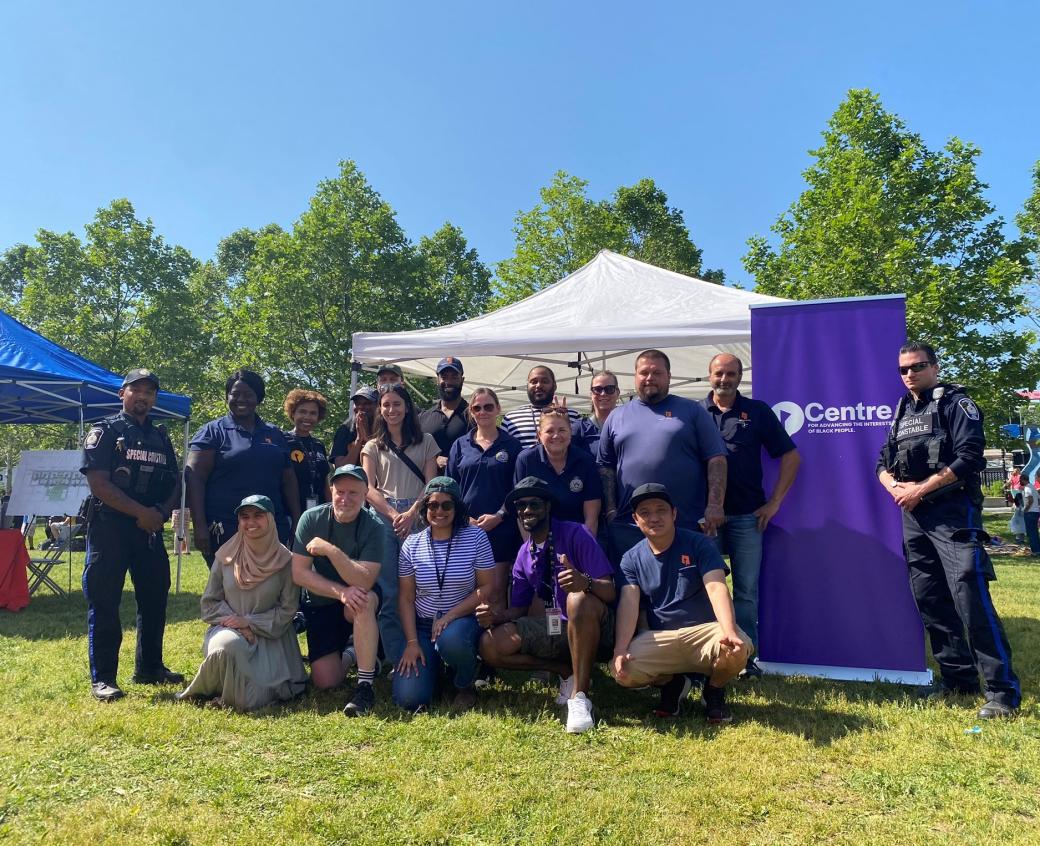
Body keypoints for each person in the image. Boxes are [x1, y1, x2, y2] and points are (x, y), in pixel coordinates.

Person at [876, 341, 1020, 719]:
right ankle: (957, 678)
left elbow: (970, 457)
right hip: (913, 516)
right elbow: (882, 461)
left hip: (953, 515)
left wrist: (920, 490)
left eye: (917, 366)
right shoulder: (903, 409)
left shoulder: (956, 404)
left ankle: (1002, 691)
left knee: (969, 597)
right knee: (930, 598)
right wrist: (895, 488)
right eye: (903, 369)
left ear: (935, 367)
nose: (910, 374)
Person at [477, 477, 616, 734]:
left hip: (597, 629)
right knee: (489, 644)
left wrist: (583, 581)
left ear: (548, 506)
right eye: (520, 506)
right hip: (558, 628)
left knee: (577, 598)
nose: (527, 510)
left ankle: (580, 698)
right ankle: (564, 671)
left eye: (534, 503)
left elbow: (609, 591)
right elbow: (518, 610)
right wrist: (494, 617)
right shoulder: (523, 553)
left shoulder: (576, 533)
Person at [80, 368, 183, 701]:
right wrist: (142, 514)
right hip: (111, 528)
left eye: (150, 392)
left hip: (150, 530)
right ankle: (104, 679)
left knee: (155, 598)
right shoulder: (106, 431)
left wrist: (160, 514)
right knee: (105, 601)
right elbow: (99, 484)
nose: (143, 396)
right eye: (136, 390)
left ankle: (150, 667)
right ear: (121, 394)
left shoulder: (161, 436)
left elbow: (175, 480)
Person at [612, 484, 751, 724]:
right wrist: (620, 649)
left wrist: (729, 632)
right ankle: (673, 684)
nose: (654, 517)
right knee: (622, 672)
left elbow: (717, 587)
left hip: (704, 634)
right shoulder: (630, 559)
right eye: (645, 512)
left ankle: (714, 690)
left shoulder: (699, 544)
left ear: (674, 514)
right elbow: (628, 603)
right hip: (660, 636)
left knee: (737, 648)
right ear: (635, 519)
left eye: (661, 510)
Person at [699, 353, 800, 675]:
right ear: (709, 375)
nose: (724, 379)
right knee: (704, 590)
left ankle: (745, 659)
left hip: (747, 517)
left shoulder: (757, 412)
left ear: (740, 377)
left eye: (731, 373)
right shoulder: (695, 413)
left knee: (745, 591)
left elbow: (791, 456)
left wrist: (775, 502)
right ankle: (707, 655)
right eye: (719, 373)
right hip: (704, 521)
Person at [177, 495, 307, 711]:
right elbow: (209, 603)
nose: (251, 522)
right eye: (244, 517)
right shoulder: (226, 556)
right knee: (227, 644)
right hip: (228, 629)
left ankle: (238, 688)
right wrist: (235, 623)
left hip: (269, 638)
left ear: (271, 520)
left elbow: (288, 611)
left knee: (251, 699)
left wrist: (248, 622)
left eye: (258, 515)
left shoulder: (286, 561)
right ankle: (217, 686)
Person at [598, 349, 728, 558]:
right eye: (644, 373)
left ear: (669, 376)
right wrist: (612, 510)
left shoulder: (692, 411)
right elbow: (605, 467)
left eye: (657, 373)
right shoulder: (616, 416)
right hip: (630, 527)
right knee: (631, 589)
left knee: (686, 588)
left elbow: (716, 459)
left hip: (684, 523)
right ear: (635, 376)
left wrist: (715, 505)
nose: (649, 378)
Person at [394, 478, 496, 712]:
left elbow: (487, 587)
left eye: (446, 505)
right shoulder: (411, 544)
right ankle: (437, 671)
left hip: (462, 621)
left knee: (451, 640)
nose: (439, 511)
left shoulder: (476, 537)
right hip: (423, 625)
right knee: (409, 699)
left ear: (457, 508)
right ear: (425, 508)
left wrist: (450, 616)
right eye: (433, 505)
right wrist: (411, 643)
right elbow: (406, 598)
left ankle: (464, 682)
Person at [292, 465, 384, 716]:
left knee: (363, 600)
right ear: (330, 490)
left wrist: (330, 551)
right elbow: (299, 574)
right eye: (339, 491)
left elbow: (364, 581)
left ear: (366, 494)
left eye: (353, 493)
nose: (345, 498)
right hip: (320, 603)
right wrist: (341, 592)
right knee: (325, 681)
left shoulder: (374, 526)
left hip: (356, 600)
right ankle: (355, 652)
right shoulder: (311, 519)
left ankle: (365, 686)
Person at [186, 369, 301, 565]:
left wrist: (297, 521)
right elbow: (194, 479)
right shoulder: (212, 432)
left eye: (248, 394)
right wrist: (199, 526)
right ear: (227, 396)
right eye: (235, 394)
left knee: (270, 586)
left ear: (259, 398)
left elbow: (288, 480)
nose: (241, 399)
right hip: (225, 526)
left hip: (271, 526)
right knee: (230, 587)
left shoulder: (274, 434)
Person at [361, 383, 439, 665]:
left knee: (423, 586)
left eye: (397, 404)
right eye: (386, 405)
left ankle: (429, 652)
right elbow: (368, 488)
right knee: (390, 591)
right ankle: (397, 659)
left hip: (419, 515)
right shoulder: (372, 446)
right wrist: (395, 515)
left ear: (407, 407)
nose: (391, 410)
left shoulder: (426, 441)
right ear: (380, 410)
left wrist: (412, 511)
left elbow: (432, 483)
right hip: (383, 518)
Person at [447, 387, 523, 608]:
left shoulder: (512, 445)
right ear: (471, 411)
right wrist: (463, 518)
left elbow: (517, 489)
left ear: (498, 409)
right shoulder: (460, 445)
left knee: (496, 592)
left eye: (488, 406)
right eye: (477, 407)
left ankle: (493, 640)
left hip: (501, 529)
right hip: (465, 530)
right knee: (467, 591)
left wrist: (499, 515)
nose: (483, 412)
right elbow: (450, 487)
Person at [514, 407, 602, 537]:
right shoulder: (526, 460)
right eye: (549, 431)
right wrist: (533, 552)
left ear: (570, 432)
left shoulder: (585, 461)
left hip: (577, 538)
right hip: (539, 538)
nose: (556, 435)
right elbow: (522, 513)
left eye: (562, 430)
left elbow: (591, 518)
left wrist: (583, 551)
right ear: (539, 435)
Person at [501, 365, 581, 449]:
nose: (538, 385)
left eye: (545, 381)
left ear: (554, 386)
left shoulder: (572, 415)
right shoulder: (510, 419)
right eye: (534, 381)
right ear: (527, 386)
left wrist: (563, 420)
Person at [283, 388, 331, 514]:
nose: (307, 417)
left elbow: (325, 482)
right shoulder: (282, 441)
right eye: (302, 412)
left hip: (319, 511)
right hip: (289, 512)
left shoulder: (318, 445)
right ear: (293, 413)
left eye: (313, 413)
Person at [419, 357, 469, 471]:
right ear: (437, 380)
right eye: (444, 377)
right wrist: (433, 459)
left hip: (465, 486)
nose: (449, 382)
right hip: (429, 487)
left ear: (462, 380)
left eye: (454, 377)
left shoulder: (474, 415)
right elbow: (414, 452)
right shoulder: (423, 418)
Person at [572, 370, 621, 456]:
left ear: (618, 393)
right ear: (591, 394)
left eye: (609, 389)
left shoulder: (629, 425)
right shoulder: (579, 428)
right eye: (597, 389)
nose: (603, 394)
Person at [331, 386, 378, 469]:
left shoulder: (384, 428)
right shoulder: (345, 430)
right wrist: (359, 440)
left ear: (378, 405)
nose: (360, 407)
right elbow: (341, 468)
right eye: (357, 403)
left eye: (366, 403)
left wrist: (367, 439)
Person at [1021, 478, 1040, 555]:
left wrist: (1025, 510)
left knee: (1031, 532)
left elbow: (1030, 500)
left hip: (1030, 512)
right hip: (1036, 512)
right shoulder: (1033, 487)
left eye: (1020, 480)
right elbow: (1038, 499)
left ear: (1024, 480)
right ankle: (1037, 549)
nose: (1020, 482)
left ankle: (1035, 551)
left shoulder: (1027, 488)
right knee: (1034, 532)